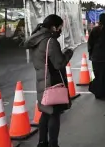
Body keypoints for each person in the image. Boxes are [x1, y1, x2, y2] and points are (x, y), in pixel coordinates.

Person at [24, 14, 74, 147]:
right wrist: (69, 53)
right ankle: (53, 144)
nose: (60, 30)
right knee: (54, 114)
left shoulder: (37, 39)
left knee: (45, 113)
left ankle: (42, 142)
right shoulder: (50, 41)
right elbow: (59, 63)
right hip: (53, 82)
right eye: (59, 27)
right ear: (53, 27)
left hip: (41, 80)